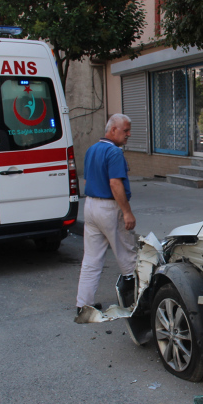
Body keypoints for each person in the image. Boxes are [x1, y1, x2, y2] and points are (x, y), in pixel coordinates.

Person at [75, 114, 138, 317]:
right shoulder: (114, 152)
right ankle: (136, 302)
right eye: (125, 130)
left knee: (91, 259)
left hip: (91, 205)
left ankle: (84, 305)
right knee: (128, 254)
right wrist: (127, 212)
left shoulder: (92, 150)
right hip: (109, 208)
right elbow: (115, 183)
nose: (129, 134)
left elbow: (86, 181)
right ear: (112, 130)